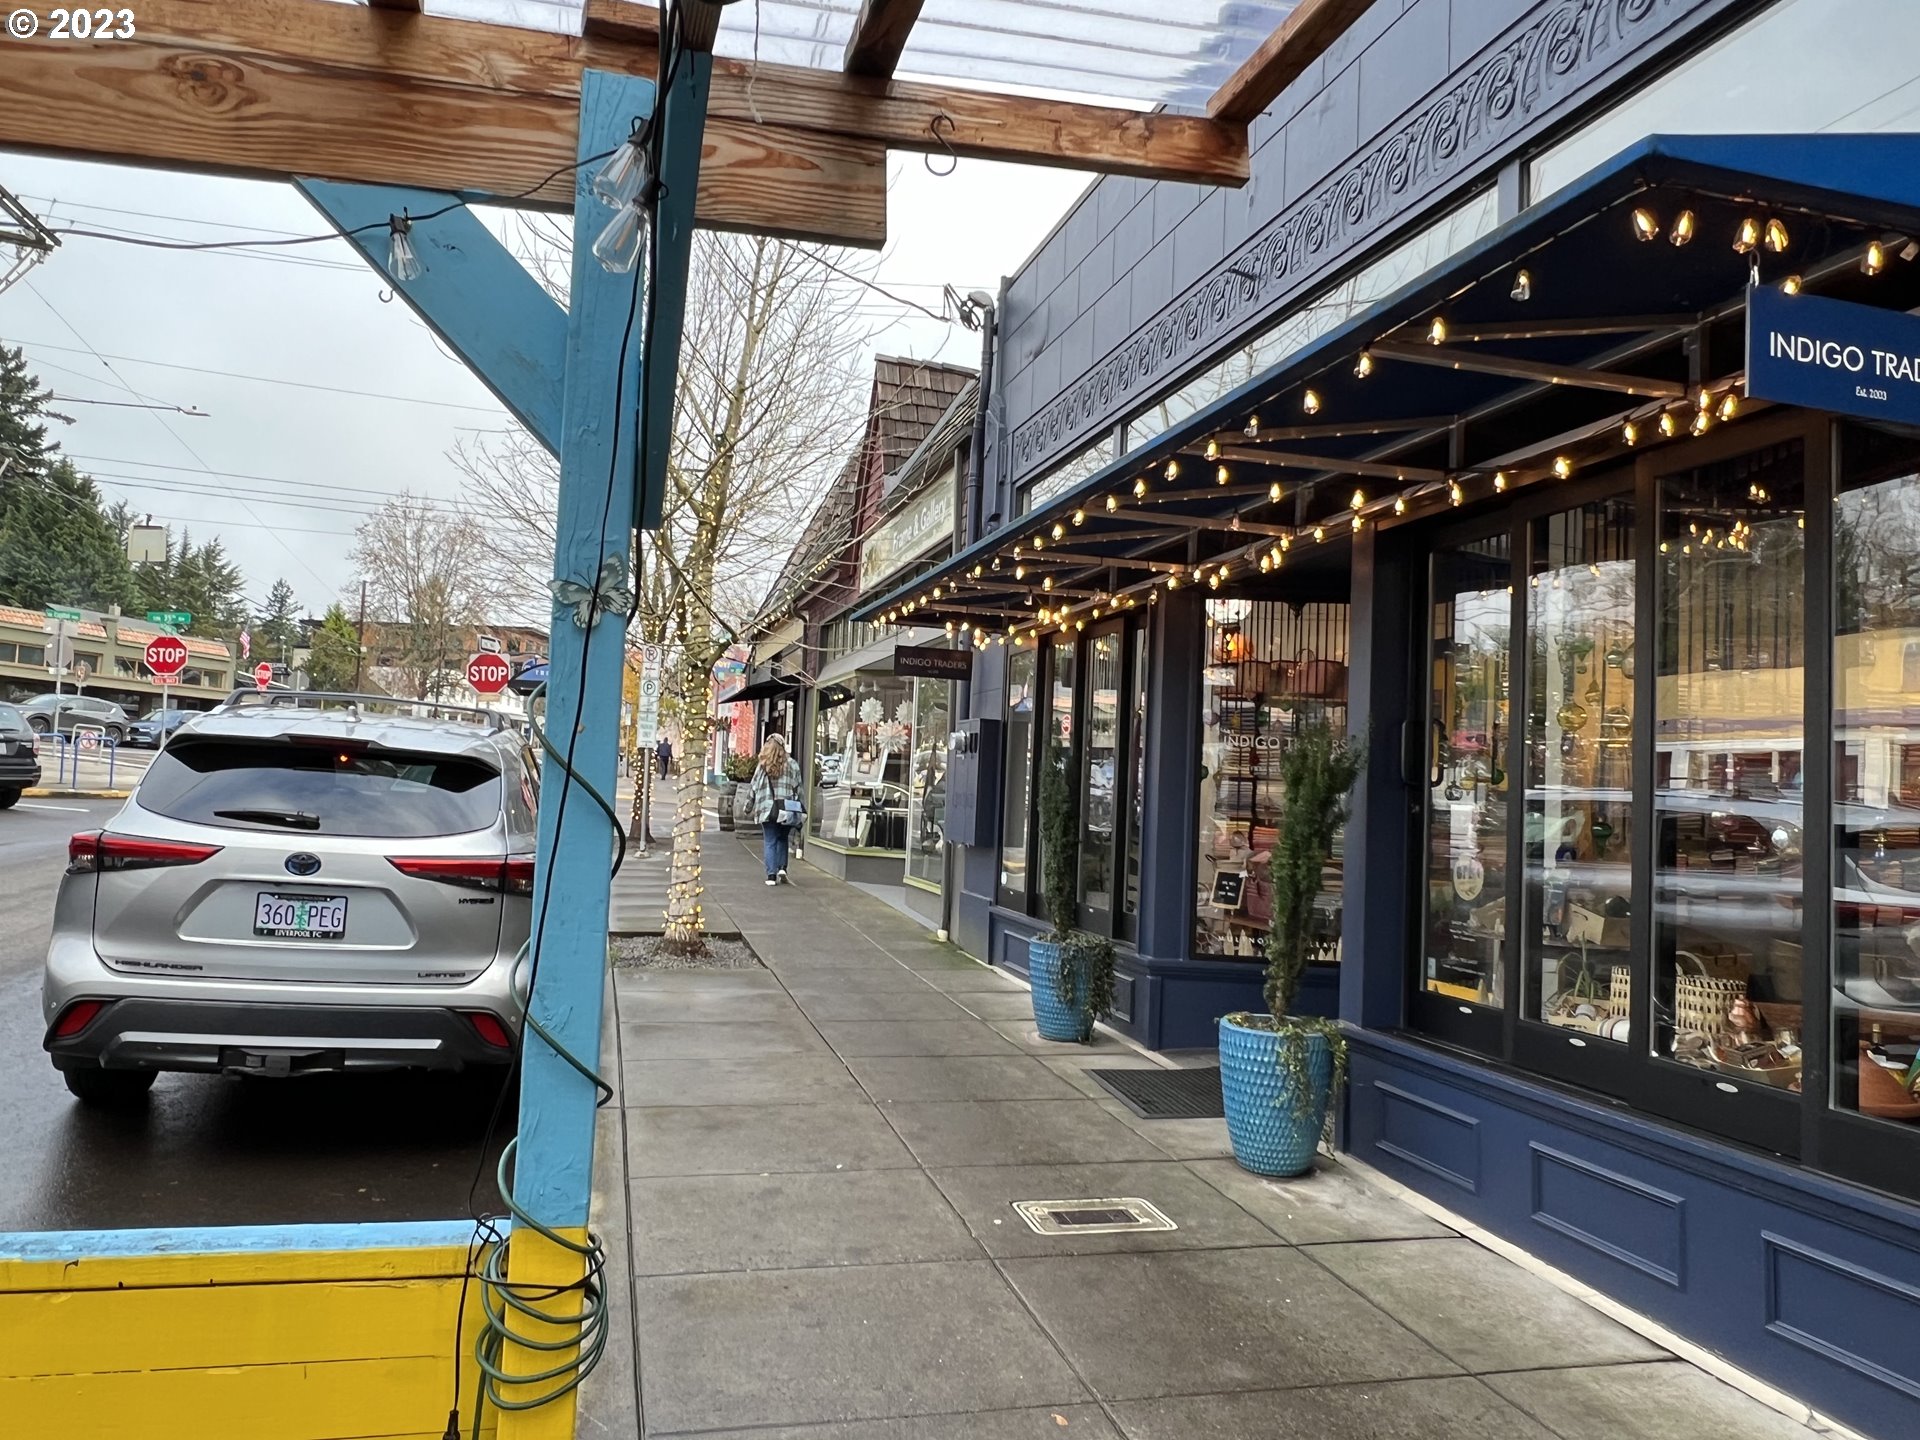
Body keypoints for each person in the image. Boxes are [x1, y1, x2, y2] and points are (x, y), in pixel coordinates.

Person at [739, 734, 803, 886]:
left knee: (770, 840)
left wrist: (747, 807)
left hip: (767, 809)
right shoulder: (792, 764)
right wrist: (800, 807)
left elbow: (753, 788)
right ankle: (782, 868)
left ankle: (771, 875)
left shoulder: (762, 765)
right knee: (782, 838)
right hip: (786, 809)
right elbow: (798, 788)